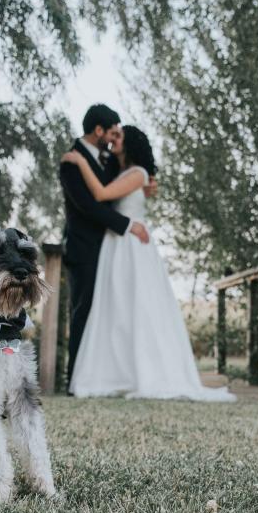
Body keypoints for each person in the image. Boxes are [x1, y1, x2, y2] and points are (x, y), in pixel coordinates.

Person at [61, 124, 235, 402]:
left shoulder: (137, 173)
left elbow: (102, 195)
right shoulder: (122, 173)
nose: (113, 140)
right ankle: (117, 371)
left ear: (130, 144)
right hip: (117, 244)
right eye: (112, 134)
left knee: (138, 306)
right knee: (116, 310)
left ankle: (147, 372)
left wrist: (80, 160)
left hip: (132, 245)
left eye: (119, 137)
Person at [58, 104, 151, 385]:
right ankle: (76, 379)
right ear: (98, 130)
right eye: (110, 133)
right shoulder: (70, 161)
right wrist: (127, 225)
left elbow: (129, 181)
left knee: (113, 312)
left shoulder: (110, 161)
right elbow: (87, 205)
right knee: (83, 312)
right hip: (84, 247)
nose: (113, 139)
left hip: (114, 250)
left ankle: (109, 375)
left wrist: (149, 180)